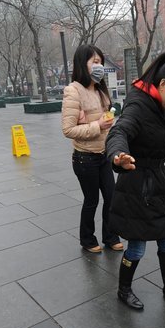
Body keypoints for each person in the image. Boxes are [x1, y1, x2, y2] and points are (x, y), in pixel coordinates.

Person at [106, 51, 165, 311]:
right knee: (137, 246)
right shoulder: (139, 105)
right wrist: (117, 156)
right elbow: (120, 131)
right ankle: (124, 290)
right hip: (138, 188)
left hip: (157, 184)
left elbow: (150, 140)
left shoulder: (158, 104)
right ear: (163, 85)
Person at [61, 44, 123, 254]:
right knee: (91, 200)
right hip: (84, 158)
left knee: (112, 197)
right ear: (82, 63)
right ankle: (87, 239)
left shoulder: (100, 89)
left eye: (100, 62)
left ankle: (110, 236)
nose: (99, 66)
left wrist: (107, 122)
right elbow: (68, 129)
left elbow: (105, 119)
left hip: (104, 154)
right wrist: (97, 126)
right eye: (94, 62)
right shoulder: (73, 90)